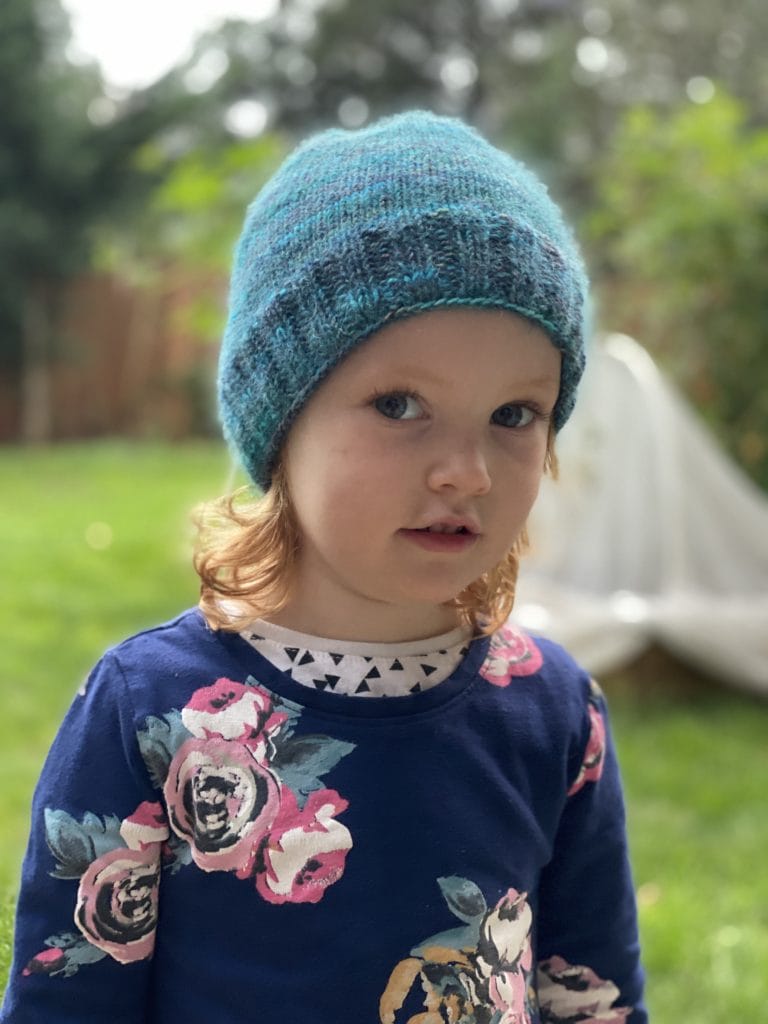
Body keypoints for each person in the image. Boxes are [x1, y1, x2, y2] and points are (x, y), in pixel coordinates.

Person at [1, 110, 647, 1023]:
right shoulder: (150, 713)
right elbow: (68, 1005)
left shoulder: (552, 714)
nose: (465, 470)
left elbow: (595, 999)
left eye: (514, 414)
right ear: (282, 422)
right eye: (398, 403)